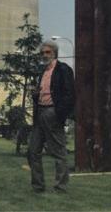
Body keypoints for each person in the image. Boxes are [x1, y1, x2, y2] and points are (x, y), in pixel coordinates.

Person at [28, 40, 75, 193]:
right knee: (33, 151)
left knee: (59, 152)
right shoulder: (42, 71)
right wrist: (35, 95)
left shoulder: (63, 69)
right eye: (42, 53)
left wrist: (58, 113)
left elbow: (70, 94)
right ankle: (38, 186)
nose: (44, 55)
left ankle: (61, 187)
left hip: (52, 112)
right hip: (40, 112)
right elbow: (42, 92)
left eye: (47, 52)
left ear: (54, 53)